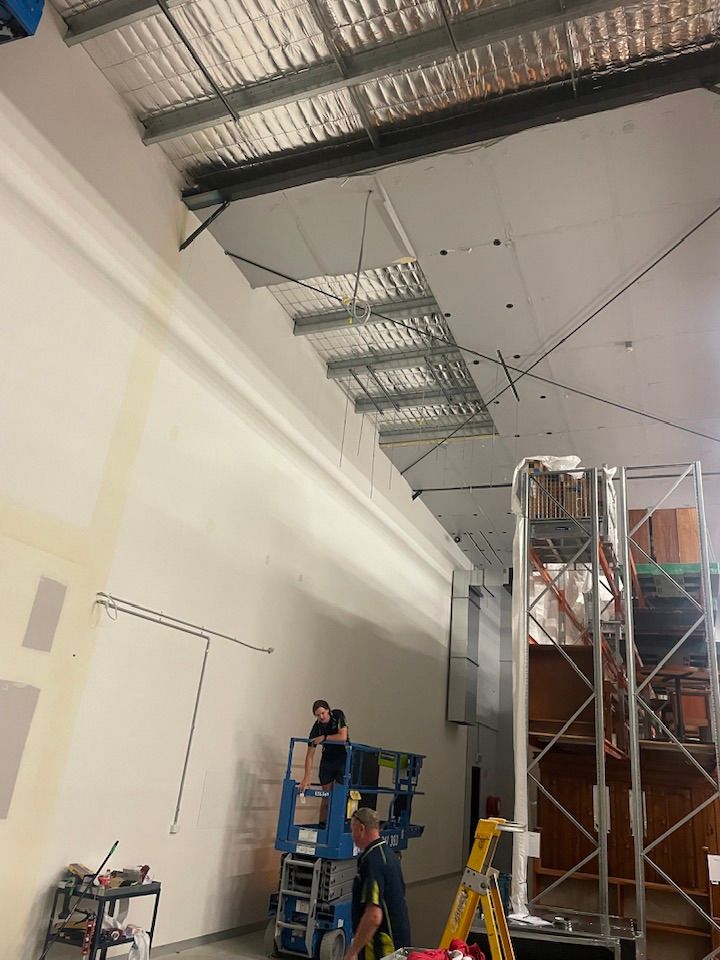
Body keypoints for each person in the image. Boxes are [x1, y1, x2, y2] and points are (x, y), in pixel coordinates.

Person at [344, 808, 411, 960]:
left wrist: (353, 951)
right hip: (399, 943)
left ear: (361, 829)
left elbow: (374, 915)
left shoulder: (372, 862)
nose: (352, 837)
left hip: (382, 947)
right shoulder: (388, 855)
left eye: (352, 831)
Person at [299, 700, 349, 820]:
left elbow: (343, 737)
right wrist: (306, 777)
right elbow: (309, 755)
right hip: (328, 759)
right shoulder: (316, 728)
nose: (321, 717)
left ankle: (338, 825)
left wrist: (325, 738)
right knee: (326, 796)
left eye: (323, 713)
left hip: (343, 757)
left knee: (340, 796)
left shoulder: (337, 715)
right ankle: (322, 826)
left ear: (328, 710)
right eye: (317, 715)